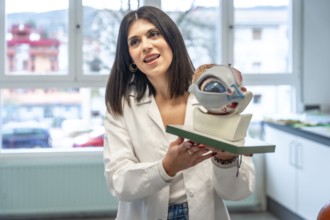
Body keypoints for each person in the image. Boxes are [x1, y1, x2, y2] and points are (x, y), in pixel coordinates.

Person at [103, 6, 255, 220]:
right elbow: (118, 182)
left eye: (153, 34)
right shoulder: (120, 106)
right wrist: (166, 168)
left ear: (172, 39)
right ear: (130, 58)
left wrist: (227, 158)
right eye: (134, 42)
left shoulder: (215, 96)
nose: (145, 46)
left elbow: (238, 191)